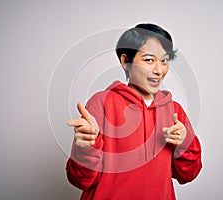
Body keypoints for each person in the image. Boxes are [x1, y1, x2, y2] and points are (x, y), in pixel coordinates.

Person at [66, 23, 202, 200]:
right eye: (149, 60)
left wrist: (185, 142)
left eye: (164, 60)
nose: (159, 70)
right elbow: (79, 180)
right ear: (125, 62)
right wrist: (86, 148)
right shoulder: (101, 103)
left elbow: (189, 175)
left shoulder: (174, 111)